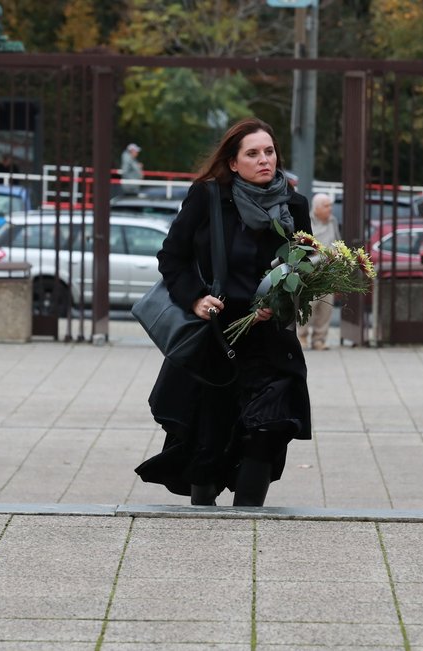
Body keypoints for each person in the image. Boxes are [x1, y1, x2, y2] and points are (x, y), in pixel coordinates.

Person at [135, 117, 313, 507]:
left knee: (268, 428)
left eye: (269, 152)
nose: (264, 160)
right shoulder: (209, 197)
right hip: (215, 337)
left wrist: (280, 302)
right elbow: (172, 257)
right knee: (208, 437)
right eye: (253, 153)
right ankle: (205, 521)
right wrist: (195, 298)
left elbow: (304, 267)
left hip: (269, 341)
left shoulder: (293, 205)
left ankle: (248, 520)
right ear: (233, 162)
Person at [297, 193, 340, 350]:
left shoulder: (333, 221)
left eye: (330, 205)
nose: (330, 209)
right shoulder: (307, 220)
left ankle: (319, 339)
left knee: (326, 307)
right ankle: (301, 336)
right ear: (317, 208)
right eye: (326, 206)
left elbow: (337, 239)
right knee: (307, 305)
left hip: (328, 271)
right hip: (310, 271)